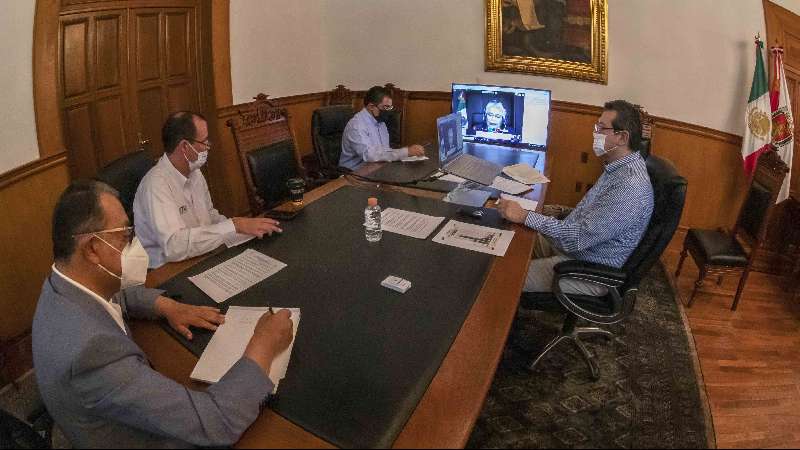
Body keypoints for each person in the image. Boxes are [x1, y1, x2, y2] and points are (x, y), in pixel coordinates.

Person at [33, 180, 295, 448]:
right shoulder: (93, 353)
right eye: (125, 235)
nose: (135, 244)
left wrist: (166, 306)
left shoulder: (63, 284)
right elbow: (216, 423)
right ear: (92, 249)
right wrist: (263, 345)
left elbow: (116, 293)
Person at [497, 100, 654, 295]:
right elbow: (598, 215)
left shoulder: (630, 186)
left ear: (621, 137)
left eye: (601, 128)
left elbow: (576, 238)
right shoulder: (618, 167)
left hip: (586, 269)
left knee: (504, 278)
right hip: (577, 249)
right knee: (508, 239)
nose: (595, 133)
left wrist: (525, 216)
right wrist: (560, 211)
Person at [133, 111, 282, 268]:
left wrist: (244, 230)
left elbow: (209, 216)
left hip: (199, 256)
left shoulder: (195, 173)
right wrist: (234, 225)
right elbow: (174, 247)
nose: (208, 146)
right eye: (204, 141)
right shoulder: (156, 185)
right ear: (185, 146)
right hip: (166, 270)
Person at [338, 86, 426, 170]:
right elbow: (370, 155)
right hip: (353, 173)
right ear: (371, 107)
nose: (389, 111)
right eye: (386, 107)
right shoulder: (356, 125)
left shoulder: (380, 121)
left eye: (390, 107)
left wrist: (407, 154)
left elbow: (384, 151)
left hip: (375, 167)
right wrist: (405, 152)